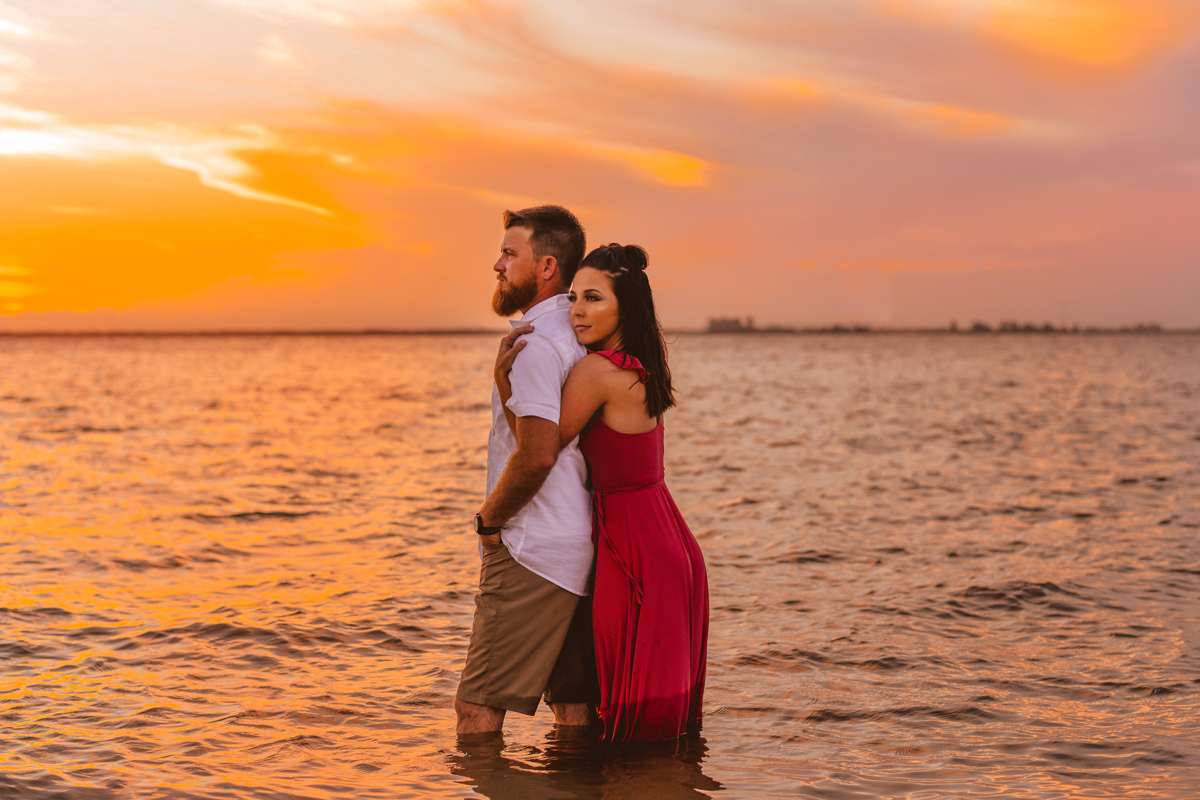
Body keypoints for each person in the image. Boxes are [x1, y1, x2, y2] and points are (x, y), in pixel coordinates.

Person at [494, 243, 709, 741]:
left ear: (624, 308)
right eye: (573, 298)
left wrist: (505, 384)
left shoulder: (595, 373)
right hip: (667, 540)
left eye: (593, 299)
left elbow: (539, 447)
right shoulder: (636, 366)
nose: (577, 312)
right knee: (659, 732)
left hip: (634, 546)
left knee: (630, 723)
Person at [455, 205, 599, 737]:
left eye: (509, 254)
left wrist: (489, 522)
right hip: (575, 546)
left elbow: (537, 453)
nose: (497, 265)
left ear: (546, 268)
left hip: (531, 552)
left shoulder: (535, 346)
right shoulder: (576, 335)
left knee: (476, 712)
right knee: (574, 711)